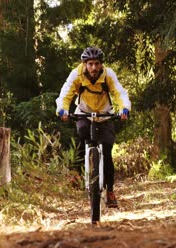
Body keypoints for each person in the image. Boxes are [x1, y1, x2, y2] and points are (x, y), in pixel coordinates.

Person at [55, 47, 131, 208]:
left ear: (101, 64)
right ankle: (78, 174)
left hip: (105, 115)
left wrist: (124, 108)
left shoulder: (108, 74)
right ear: (84, 64)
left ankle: (110, 191)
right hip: (84, 114)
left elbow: (120, 92)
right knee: (83, 136)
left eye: (97, 64)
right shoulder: (76, 74)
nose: (94, 68)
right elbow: (65, 93)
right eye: (90, 64)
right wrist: (62, 109)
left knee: (108, 152)